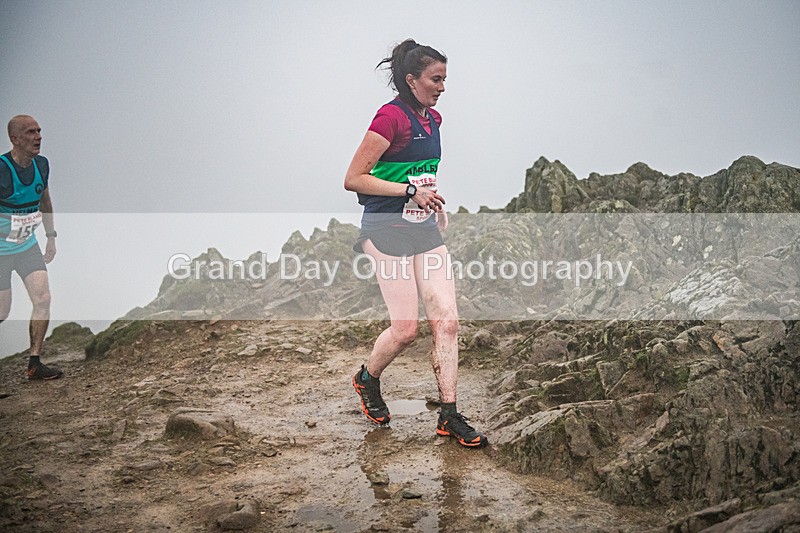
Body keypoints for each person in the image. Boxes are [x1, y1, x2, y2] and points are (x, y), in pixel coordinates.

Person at [344, 39, 487, 447]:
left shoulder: (434, 120)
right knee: (405, 330)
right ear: (412, 80)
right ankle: (367, 379)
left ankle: (449, 415)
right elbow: (354, 178)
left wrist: (431, 199)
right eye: (435, 79)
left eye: (445, 79)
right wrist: (409, 192)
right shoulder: (390, 117)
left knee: (447, 320)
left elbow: (420, 171)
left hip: (423, 228)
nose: (442, 87)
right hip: (384, 229)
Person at [0, 115, 62, 380]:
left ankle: (35, 364)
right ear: (15, 139)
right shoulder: (2, 170)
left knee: (43, 299)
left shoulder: (42, 165)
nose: (38, 136)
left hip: (26, 245)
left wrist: (51, 235)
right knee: (3, 311)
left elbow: (44, 200)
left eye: (39, 130)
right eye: (30, 132)